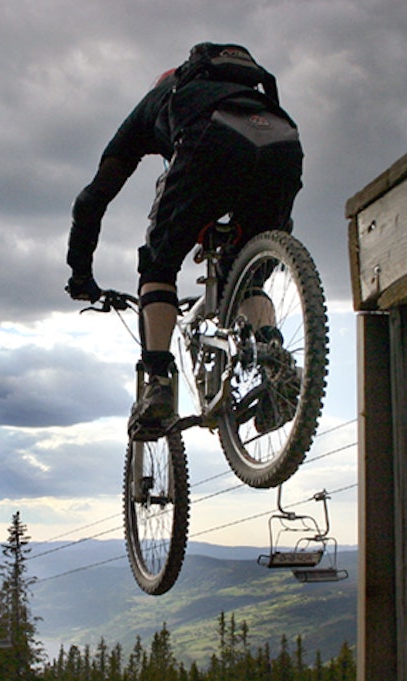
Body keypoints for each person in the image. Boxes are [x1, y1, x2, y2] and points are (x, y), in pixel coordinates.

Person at [66, 42, 304, 440]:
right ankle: (275, 365)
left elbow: (92, 200)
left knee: (158, 266)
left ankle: (158, 382)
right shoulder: (252, 96)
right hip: (284, 144)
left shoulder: (157, 102)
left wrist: (80, 275)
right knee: (246, 276)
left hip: (210, 141)